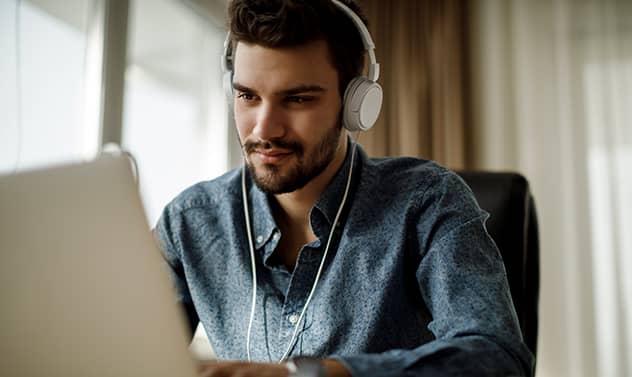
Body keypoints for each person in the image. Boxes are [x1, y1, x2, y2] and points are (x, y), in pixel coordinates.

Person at [154, 0, 534, 376]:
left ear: (355, 103)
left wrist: (317, 374)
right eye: (247, 96)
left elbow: (496, 357)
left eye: (298, 99)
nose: (265, 129)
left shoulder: (427, 202)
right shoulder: (189, 221)